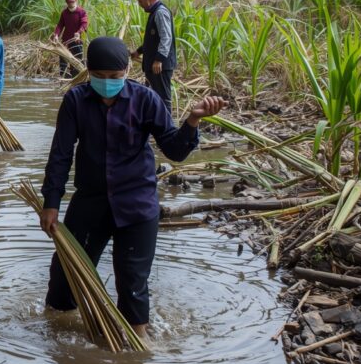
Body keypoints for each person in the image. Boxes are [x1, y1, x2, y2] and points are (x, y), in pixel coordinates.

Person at [39, 36, 226, 337]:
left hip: (136, 204)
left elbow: (174, 151)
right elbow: (60, 155)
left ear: (127, 71)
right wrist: (51, 203)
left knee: (133, 283)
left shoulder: (146, 99)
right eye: (99, 77)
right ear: (88, 72)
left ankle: (138, 351)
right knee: (65, 275)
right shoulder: (75, 101)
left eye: (114, 77)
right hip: (91, 202)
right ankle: (60, 337)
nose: (107, 84)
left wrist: (192, 121)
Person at [131, 0, 176, 115]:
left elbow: (166, 38)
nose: (139, 4)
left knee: (163, 98)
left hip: (160, 66)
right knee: (153, 96)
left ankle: (168, 129)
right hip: (153, 65)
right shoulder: (154, 12)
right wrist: (138, 52)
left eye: (140, 1)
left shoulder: (160, 12)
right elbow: (152, 40)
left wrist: (159, 60)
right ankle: (156, 126)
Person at [52, 0, 88, 77]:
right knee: (63, 61)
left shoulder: (81, 12)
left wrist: (78, 32)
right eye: (69, 2)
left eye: (72, 1)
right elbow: (60, 25)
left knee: (76, 61)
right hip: (66, 41)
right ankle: (64, 79)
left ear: (76, 1)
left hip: (77, 41)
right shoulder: (64, 13)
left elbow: (84, 24)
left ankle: (75, 79)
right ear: (66, 2)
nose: (71, 3)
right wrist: (56, 35)